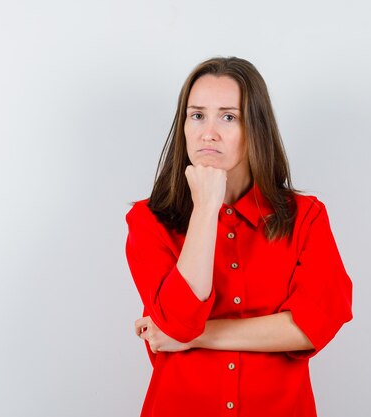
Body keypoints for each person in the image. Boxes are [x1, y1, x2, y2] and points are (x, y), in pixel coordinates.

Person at [125, 57, 353, 417]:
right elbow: (181, 320)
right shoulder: (148, 220)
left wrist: (197, 337)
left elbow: (313, 327)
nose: (208, 132)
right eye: (197, 115)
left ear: (255, 129)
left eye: (228, 117)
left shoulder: (306, 216)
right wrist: (205, 208)